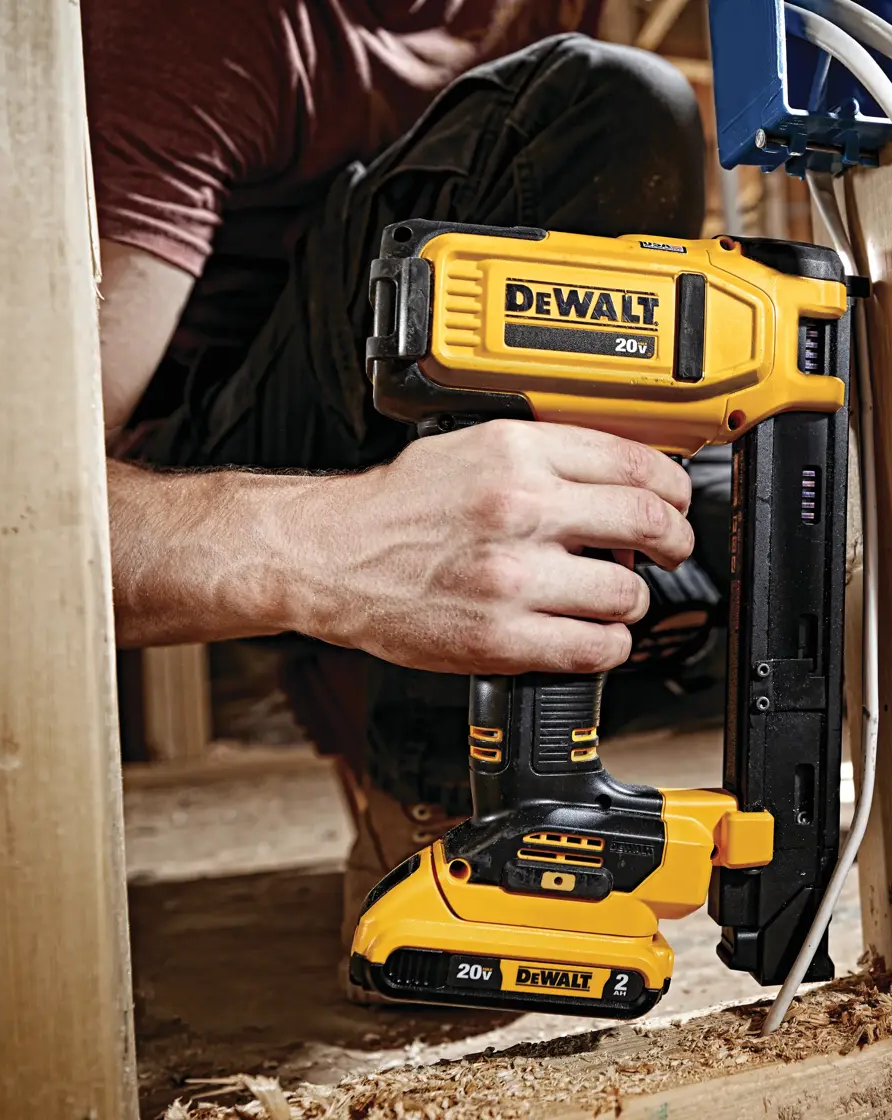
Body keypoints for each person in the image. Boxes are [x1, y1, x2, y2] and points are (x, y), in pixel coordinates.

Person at [87, 0, 721, 957]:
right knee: (608, 105)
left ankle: (494, 753)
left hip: (446, 427)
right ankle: (444, 798)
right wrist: (328, 550)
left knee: (741, 526)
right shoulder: (190, 30)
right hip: (242, 449)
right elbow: (11, 519)